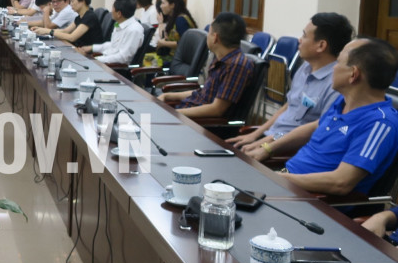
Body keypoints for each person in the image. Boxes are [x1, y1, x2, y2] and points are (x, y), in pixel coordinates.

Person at [250, 38, 398, 196]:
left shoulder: (380, 123)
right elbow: (313, 127)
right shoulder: (343, 101)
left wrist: (278, 178)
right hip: (287, 181)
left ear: (353, 74)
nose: (333, 67)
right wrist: (267, 148)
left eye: (338, 62)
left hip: (311, 200)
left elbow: (340, 183)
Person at [232, 13, 353, 155]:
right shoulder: (305, 68)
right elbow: (288, 106)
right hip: (271, 138)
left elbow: (317, 131)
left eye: (305, 36)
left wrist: (265, 144)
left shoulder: (335, 85)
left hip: (287, 149)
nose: (299, 40)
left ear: (321, 45)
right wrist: (255, 134)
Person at [159, 12, 254, 118]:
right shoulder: (220, 59)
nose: (207, 36)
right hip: (186, 112)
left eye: (209, 32)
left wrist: (172, 114)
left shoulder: (236, 65)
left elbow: (216, 109)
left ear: (215, 37)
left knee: (148, 120)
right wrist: (167, 96)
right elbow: (203, 93)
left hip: (198, 123)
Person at [79, 0, 144, 64]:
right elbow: (113, 45)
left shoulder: (134, 30)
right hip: (108, 61)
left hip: (117, 67)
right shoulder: (120, 23)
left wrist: (95, 59)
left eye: (113, 8)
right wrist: (91, 48)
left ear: (119, 14)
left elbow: (123, 58)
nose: (111, 11)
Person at [32, 0, 103, 47]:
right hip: (78, 48)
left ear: (82, 1)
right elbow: (65, 31)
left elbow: (72, 37)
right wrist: (43, 30)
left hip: (87, 53)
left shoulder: (89, 17)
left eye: (72, 1)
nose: (71, 4)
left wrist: (49, 31)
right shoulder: (79, 17)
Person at [142, 0, 196, 67]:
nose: (161, 6)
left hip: (179, 60)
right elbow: (164, 36)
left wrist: (163, 43)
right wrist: (161, 23)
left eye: (163, 3)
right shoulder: (172, 18)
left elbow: (185, 44)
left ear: (172, 5)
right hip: (173, 56)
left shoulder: (181, 20)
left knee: (148, 62)